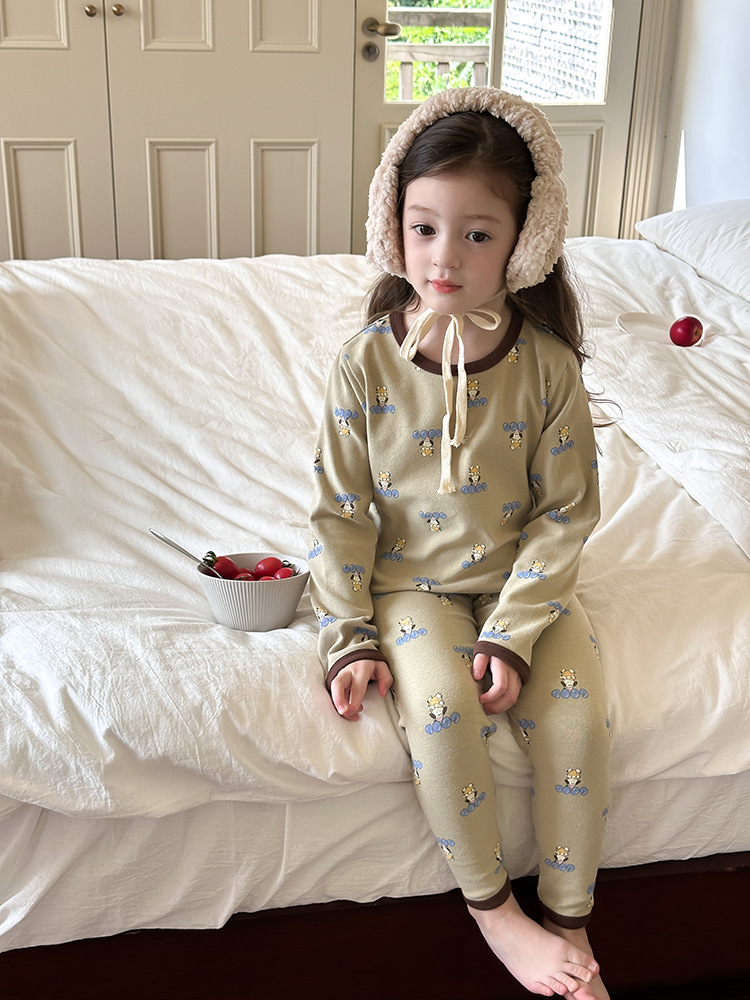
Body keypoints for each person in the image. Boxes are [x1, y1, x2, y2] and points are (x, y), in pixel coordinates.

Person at [309, 86, 610, 1000]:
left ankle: (571, 924)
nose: (443, 257)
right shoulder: (365, 363)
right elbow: (341, 513)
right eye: (423, 228)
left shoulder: (547, 365)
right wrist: (348, 636)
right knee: (440, 715)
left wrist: (511, 634)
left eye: (477, 234)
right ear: (391, 225)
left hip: (524, 587)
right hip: (411, 589)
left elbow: (566, 513)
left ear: (527, 240)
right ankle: (496, 914)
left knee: (577, 722)